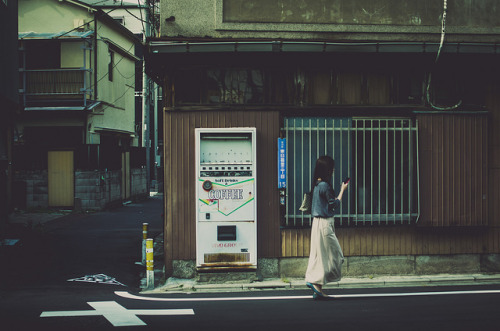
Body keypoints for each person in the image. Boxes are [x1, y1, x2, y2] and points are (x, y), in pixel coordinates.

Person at [305, 155, 349, 300]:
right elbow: (334, 204)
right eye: (332, 168)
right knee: (335, 254)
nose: (333, 170)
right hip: (325, 223)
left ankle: (317, 287)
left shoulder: (317, 184)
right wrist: (343, 190)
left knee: (320, 255)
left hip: (317, 223)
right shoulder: (324, 186)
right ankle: (313, 281)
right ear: (327, 170)